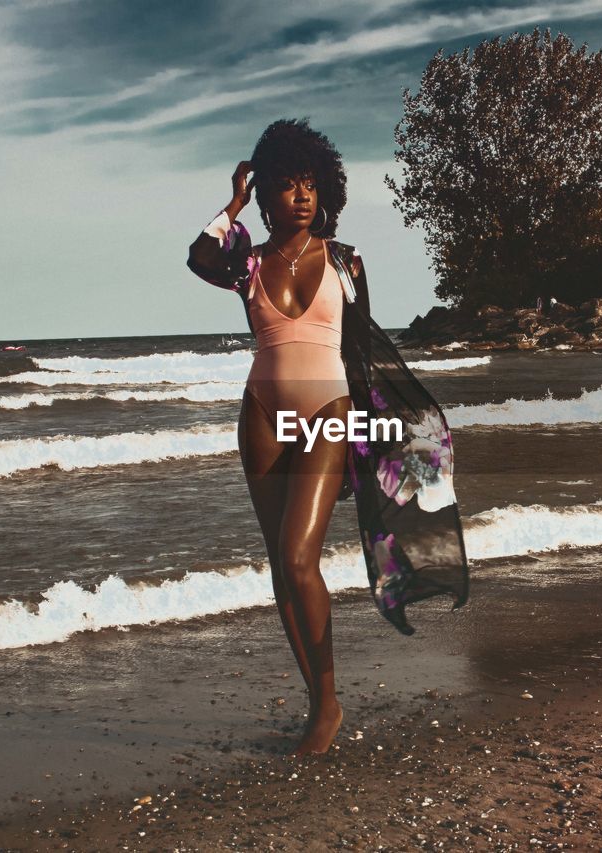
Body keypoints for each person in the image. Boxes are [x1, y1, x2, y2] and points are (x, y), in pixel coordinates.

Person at [186, 119, 469, 755]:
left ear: (326, 190)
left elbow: (361, 352)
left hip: (328, 412)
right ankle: (318, 700)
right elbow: (198, 258)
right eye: (285, 185)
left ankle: (328, 703)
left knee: (296, 557)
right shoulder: (247, 262)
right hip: (261, 415)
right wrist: (232, 202)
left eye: (309, 184)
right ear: (265, 197)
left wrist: (366, 445)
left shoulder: (346, 261)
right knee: (282, 571)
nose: (301, 196)